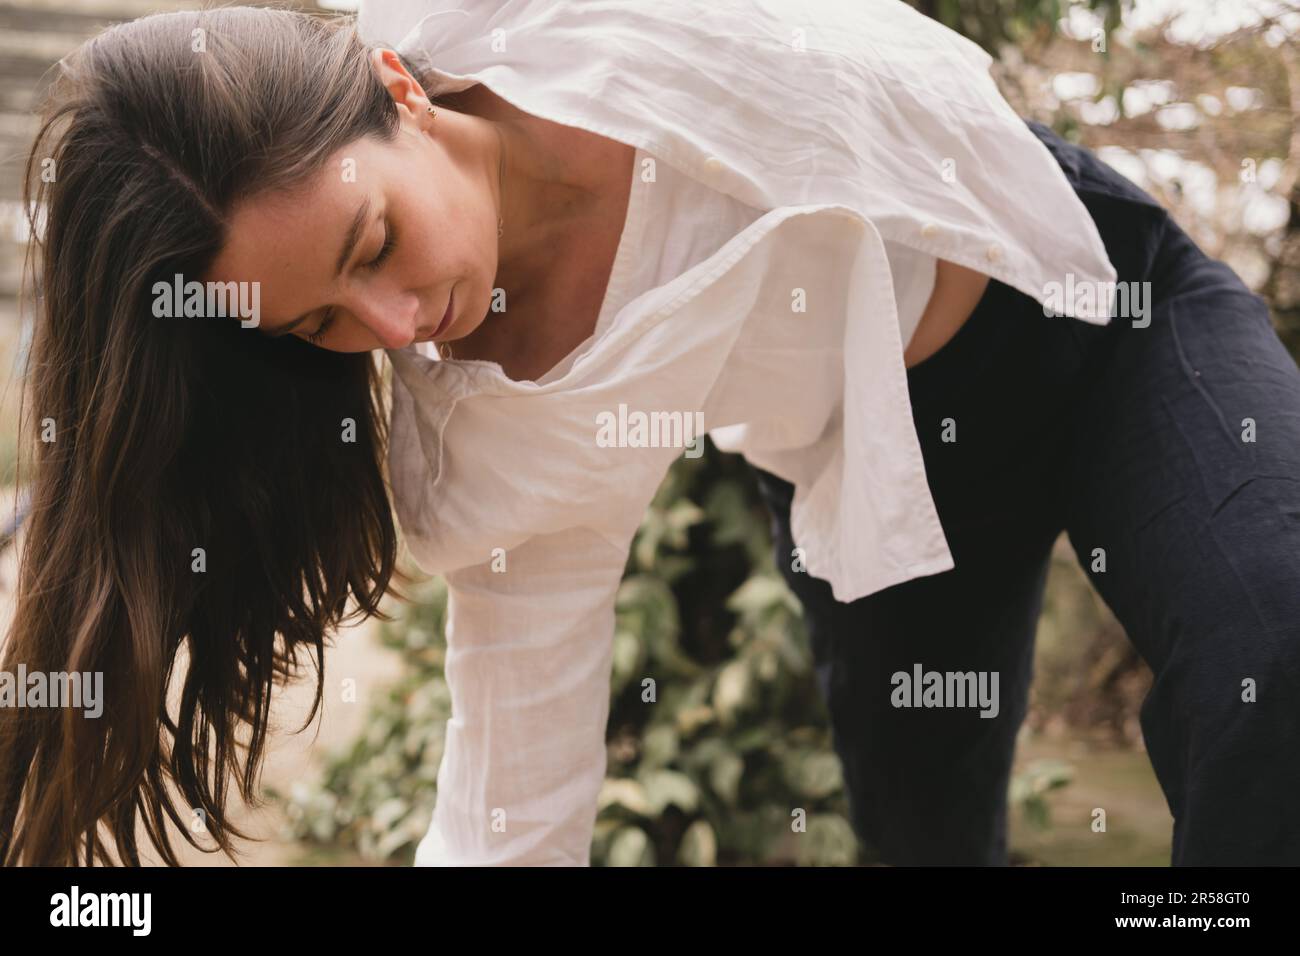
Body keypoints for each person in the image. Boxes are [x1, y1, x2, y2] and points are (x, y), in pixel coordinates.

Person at [1, 0, 1295, 868]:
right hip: (885, 489)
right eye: (319, 326)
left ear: (396, 86)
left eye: (375, 244)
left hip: (1097, 301)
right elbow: (514, 794)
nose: (396, 329)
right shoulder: (498, 437)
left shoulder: (530, 17)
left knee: (1277, 656)